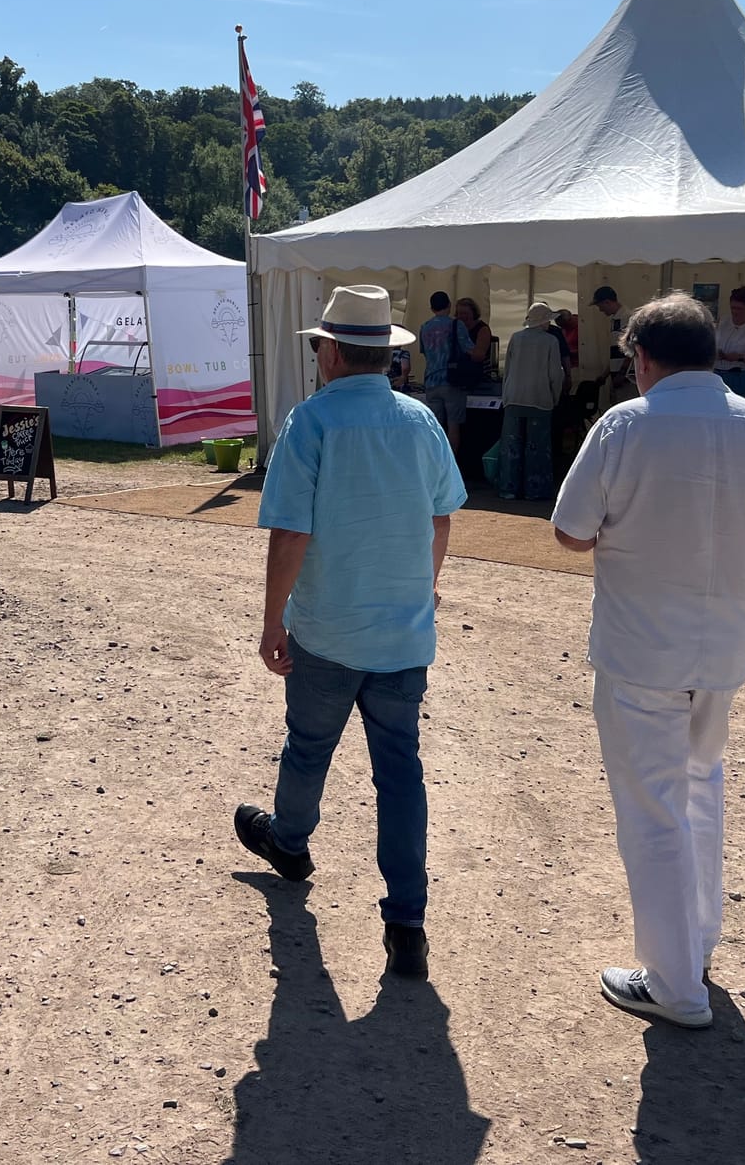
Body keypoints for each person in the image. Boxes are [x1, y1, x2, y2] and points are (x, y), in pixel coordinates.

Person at [550, 292, 745, 1029]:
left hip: (641, 650)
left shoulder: (626, 424)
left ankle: (674, 985)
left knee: (652, 813)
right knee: (700, 792)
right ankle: (692, 947)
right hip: (723, 648)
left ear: (642, 358)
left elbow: (570, 532)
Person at [235, 284, 466, 981]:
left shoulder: (311, 422)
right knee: (400, 772)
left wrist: (272, 618)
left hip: (329, 627)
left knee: (308, 746)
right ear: (387, 355)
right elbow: (442, 518)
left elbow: (291, 532)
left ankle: (293, 845)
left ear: (330, 352)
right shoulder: (420, 422)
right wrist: (422, 587)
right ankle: (406, 921)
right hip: (402, 634)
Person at [498, 303, 569, 501]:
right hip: (539, 398)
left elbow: (508, 370)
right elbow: (556, 373)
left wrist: (506, 396)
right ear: (544, 320)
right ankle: (535, 490)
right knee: (537, 448)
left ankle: (508, 488)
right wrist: (554, 397)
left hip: (513, 398)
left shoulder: (515, 338)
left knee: (511, 446)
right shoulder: (550, 341)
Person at [418, 291, 474, 453]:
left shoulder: (424, 327)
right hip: (452, 381)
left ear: (431, 308)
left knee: (435, 426)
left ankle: (435, 462)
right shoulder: (456, 325)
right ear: (449, 305)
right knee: (453, 426)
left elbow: (425, 352)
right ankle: (451, 466)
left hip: (431, 381)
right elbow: (469, 350)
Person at [591, 286, 637, 407]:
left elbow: (633, 349)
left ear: (607, 302)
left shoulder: (627, 318)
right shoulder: (615, 319)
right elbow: (616, 353)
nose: (600, 309)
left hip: (626, 379)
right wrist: (605, 375)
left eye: (599, 305)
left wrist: (622, 373)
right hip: (617, 376)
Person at [453, 298, 495, 383]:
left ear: (474, 313)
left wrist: (464, 346)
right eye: (460, 314)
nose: (463, 316)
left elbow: (479, 356)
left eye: (466, 313)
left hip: (479, 376)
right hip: (457, 375)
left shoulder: (482, 329)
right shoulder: (454, 327)